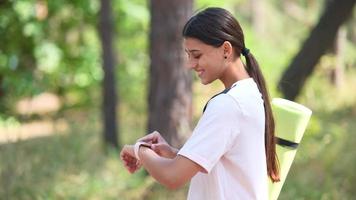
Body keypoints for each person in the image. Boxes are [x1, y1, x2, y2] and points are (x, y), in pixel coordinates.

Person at [120, 7, 280, 200]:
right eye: (188, 55)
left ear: (226, 50)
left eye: (196, 55)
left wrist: (138, 150)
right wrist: (175, 154)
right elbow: (228, 165)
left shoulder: (228, 105)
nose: (190, 64)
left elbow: (172, 177)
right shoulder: (250, 93)